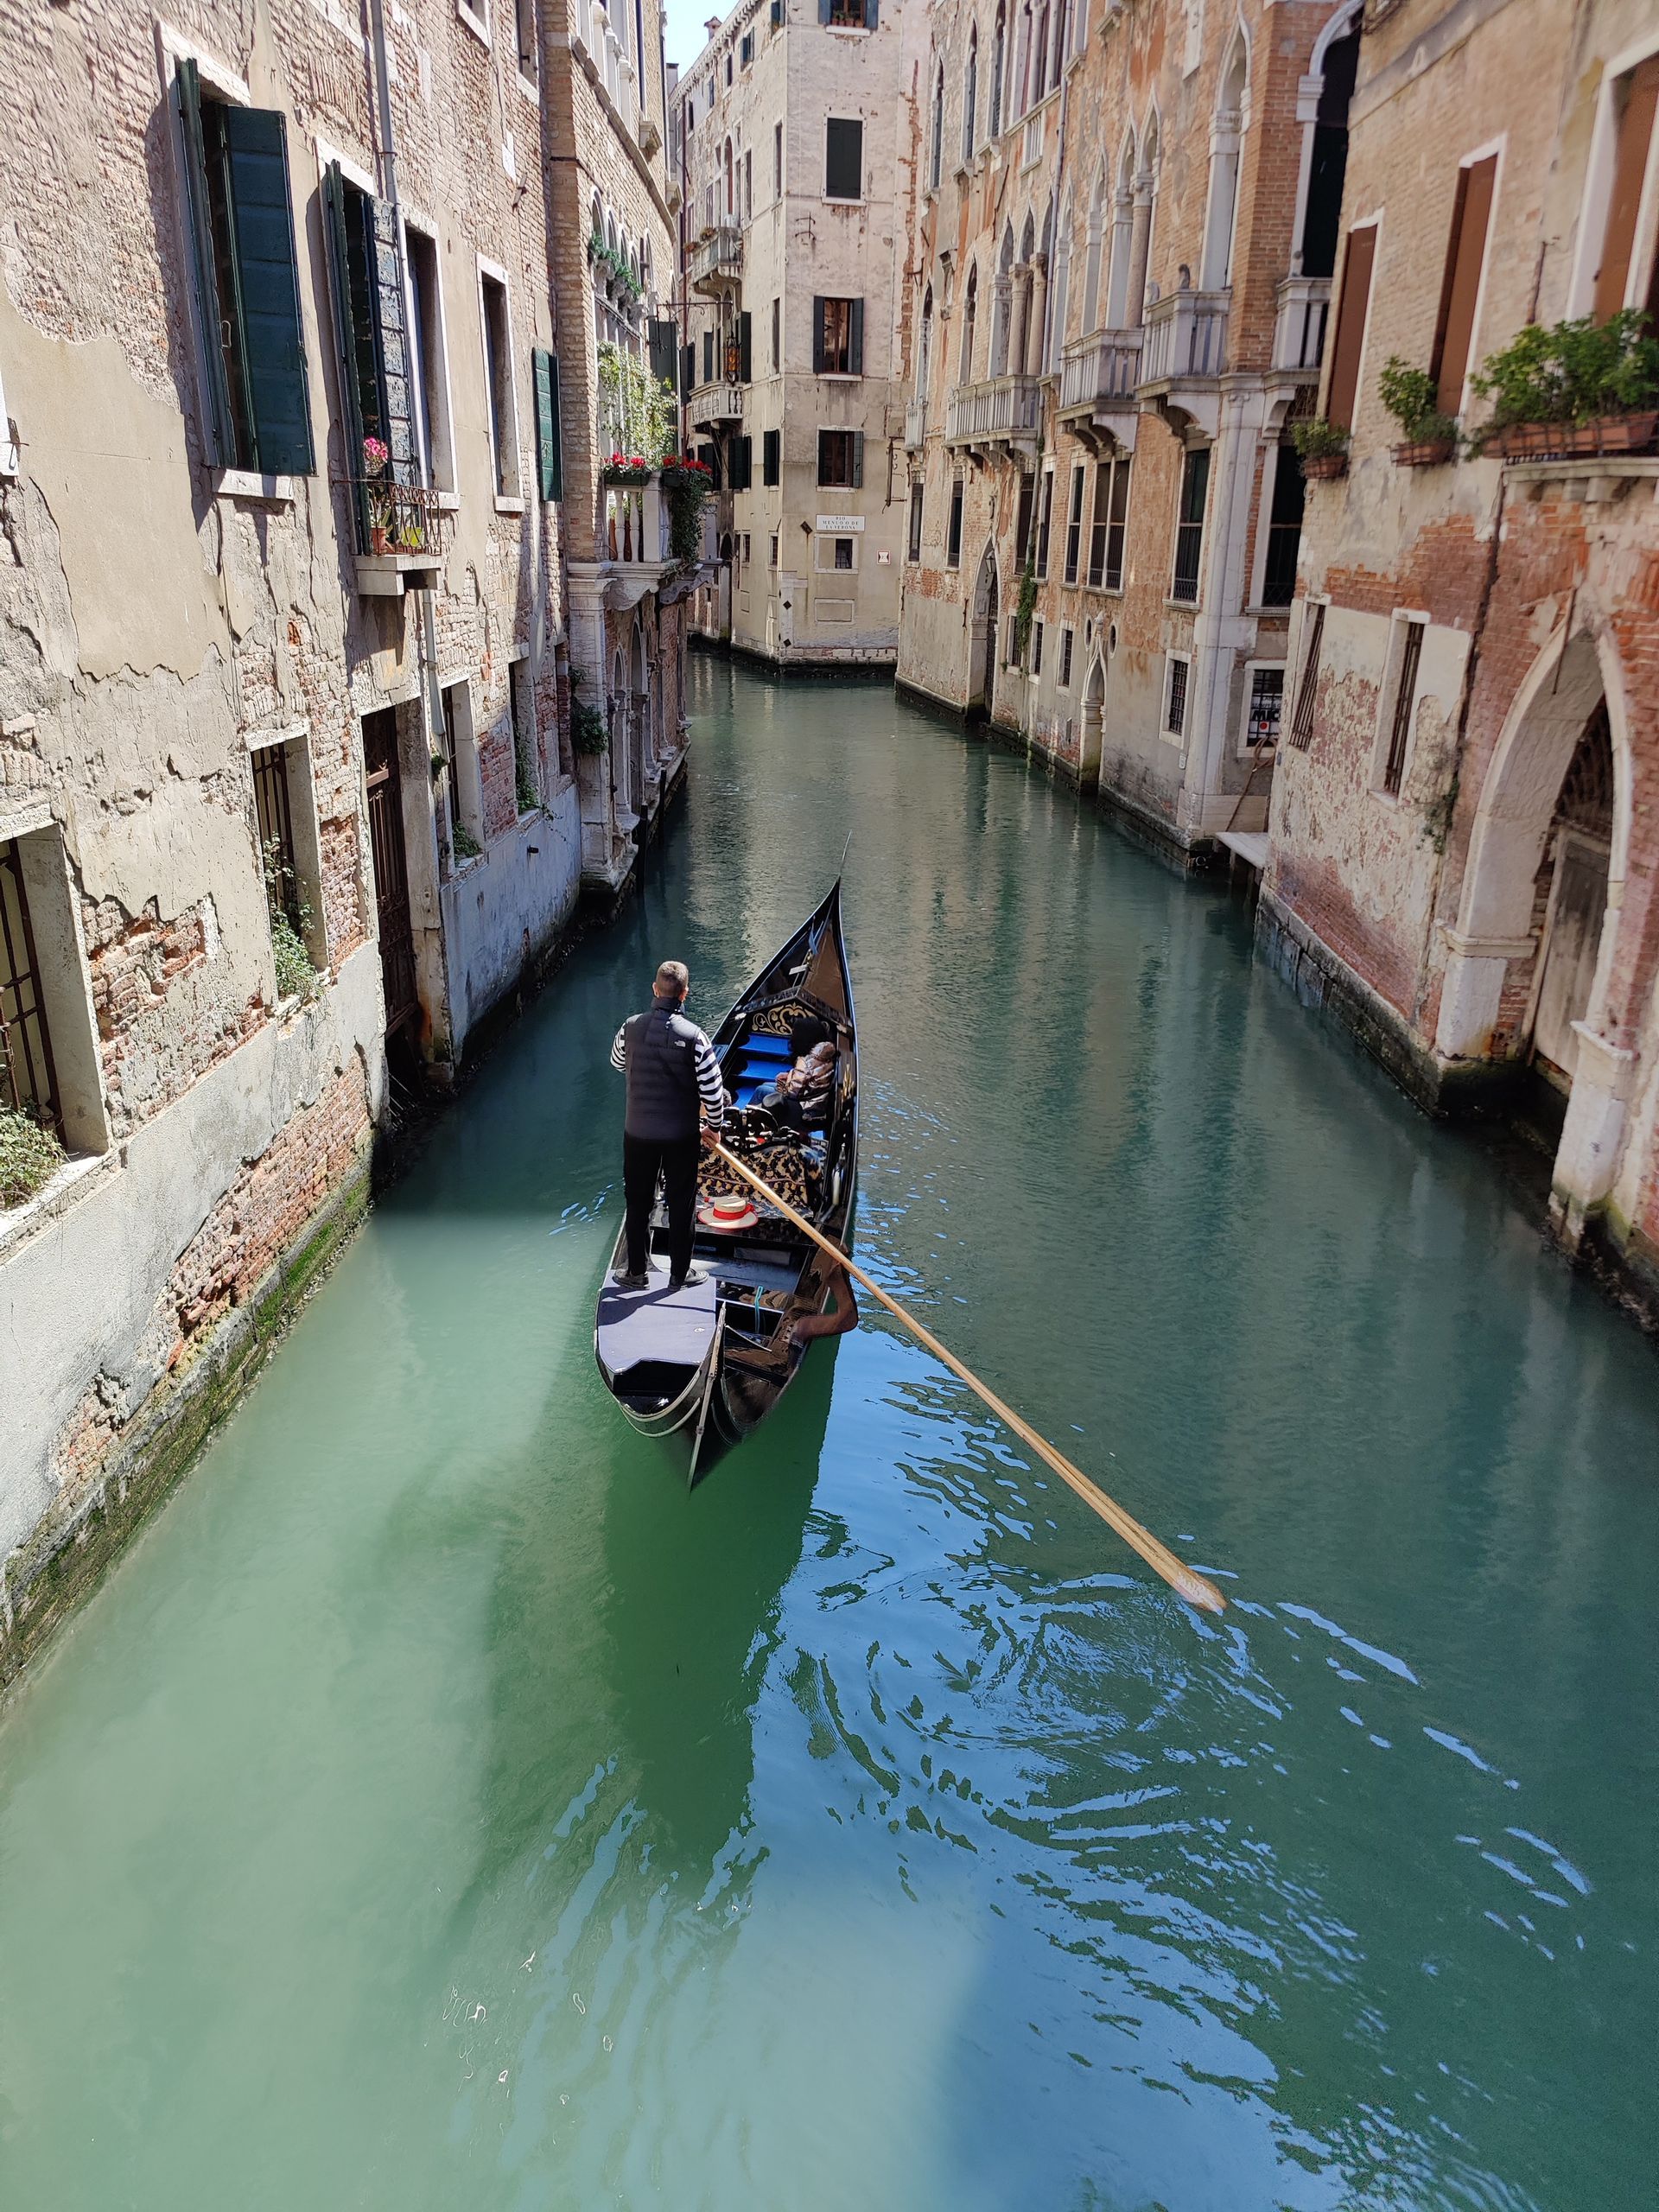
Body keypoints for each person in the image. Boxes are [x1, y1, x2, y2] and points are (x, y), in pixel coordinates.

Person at [609, 959, 724, 1292]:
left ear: (655, 990)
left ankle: (635, 1272)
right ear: (685, 994)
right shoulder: (696, 1038)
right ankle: (679, 1274)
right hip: (680, 1137)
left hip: (638, 1134)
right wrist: (714, 1127)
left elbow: (618, 1063)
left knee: (638, 1201)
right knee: (681, 1203)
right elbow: (713, 1093)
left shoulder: (629, 1027)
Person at [756, 1038, 836, 1132]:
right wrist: (789, 1075)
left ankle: (750, 1116)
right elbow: (808, 1079)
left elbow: (792, 1093)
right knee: (765, 1085)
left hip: (803, 1104)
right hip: (814, 1101)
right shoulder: (828, 1064)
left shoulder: (805, 1063)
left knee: (760, 1090)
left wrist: (784, 1083)